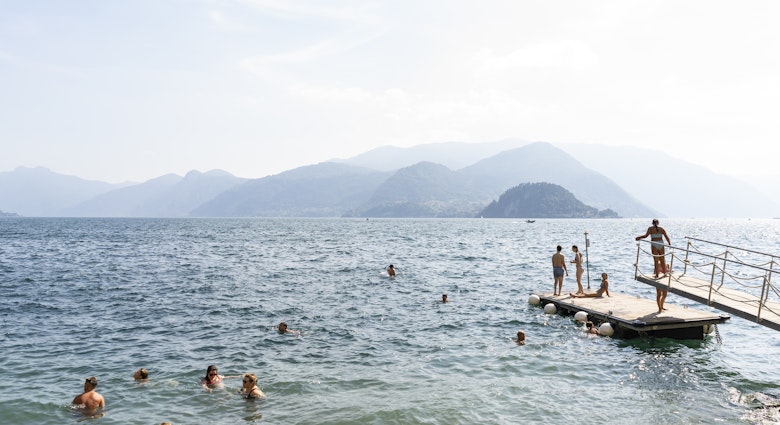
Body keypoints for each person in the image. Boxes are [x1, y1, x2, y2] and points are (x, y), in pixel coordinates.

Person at [636, 219, 671, 312]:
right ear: (658, 223)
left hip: (654, 244)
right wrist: (669, 244)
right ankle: (664, 273)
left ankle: (657, 274)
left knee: (656, 260)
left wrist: (638, 237)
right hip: (661, 243)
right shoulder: (662, 229)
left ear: (652, 223)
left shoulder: (650, 229)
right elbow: (667, 237)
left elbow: (645, 236)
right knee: (663, 260)